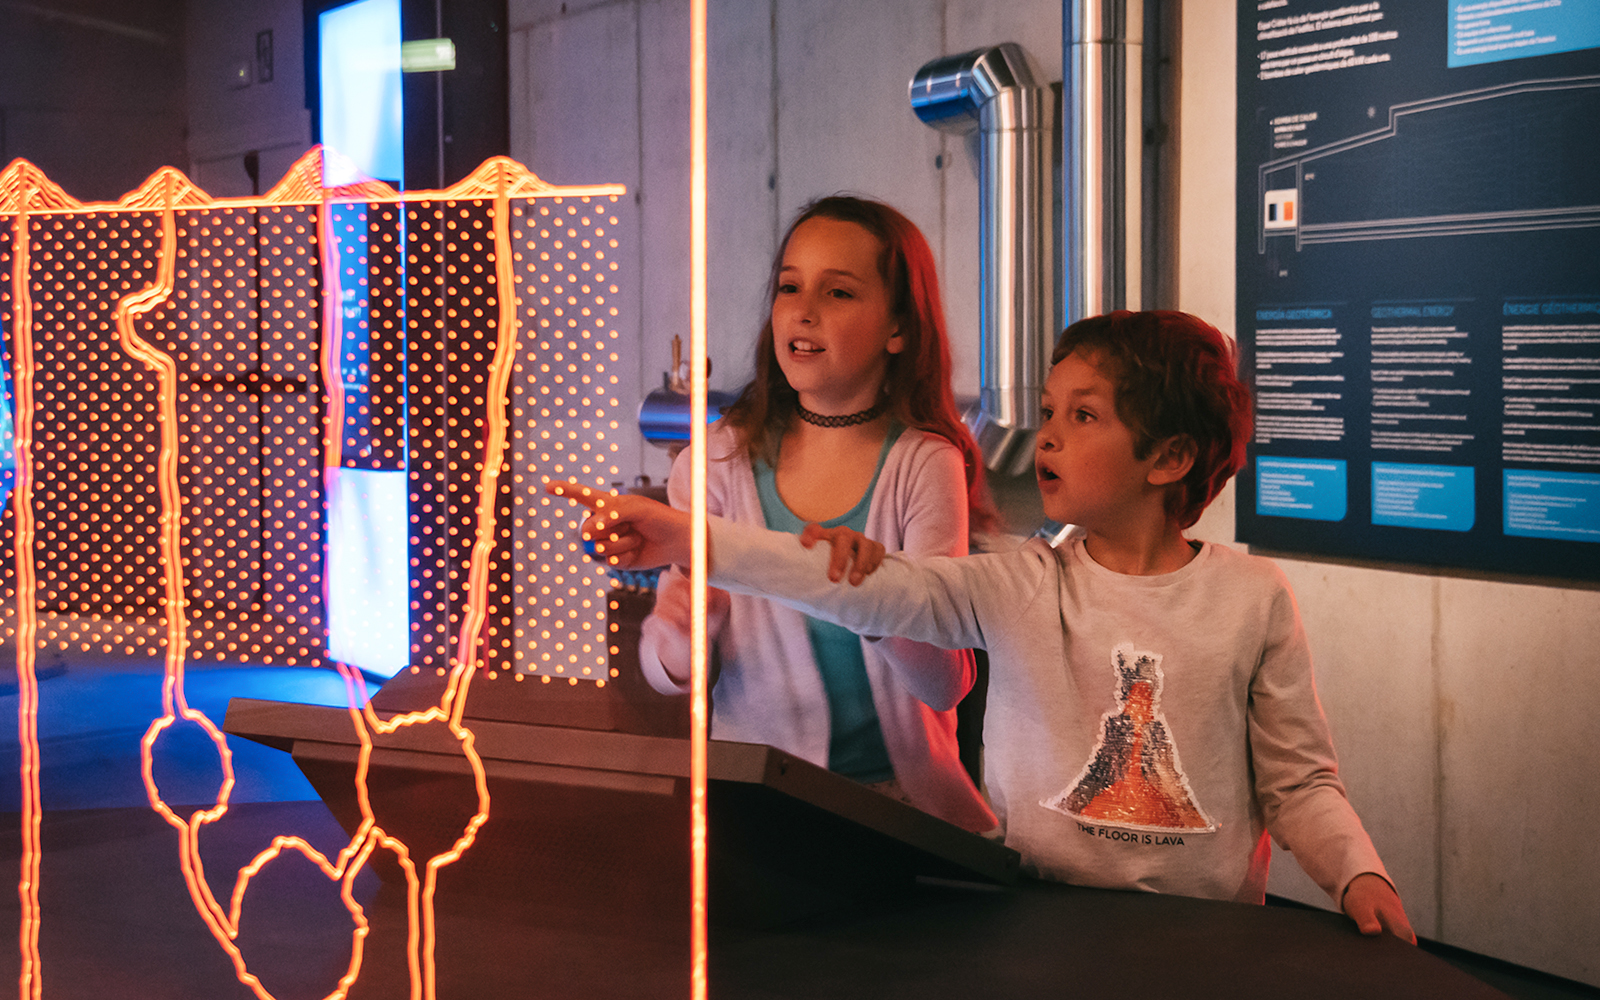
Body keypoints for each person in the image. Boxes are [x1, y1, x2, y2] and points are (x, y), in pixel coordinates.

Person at [552, 310, 1416, 942]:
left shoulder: (1252, 597)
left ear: (1170, 457)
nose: (1049, 436)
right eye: (1048, 411)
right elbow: (880, 594)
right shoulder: (1019, 582)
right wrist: (689, 540)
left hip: (1205, 942)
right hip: (1032, 925)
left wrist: (1357, 874)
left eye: (1083, 416)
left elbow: (1299, 782)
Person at [636, 195, 997, 833]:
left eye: (838, 292)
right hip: (757, 806)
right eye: (789, 287)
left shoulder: (926, 463)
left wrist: (876, 600)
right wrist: (681, 634)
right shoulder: (713, 463)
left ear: (899, 328)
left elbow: (947, 685)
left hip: (900, 811)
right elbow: (667, 677)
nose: (803, 310)